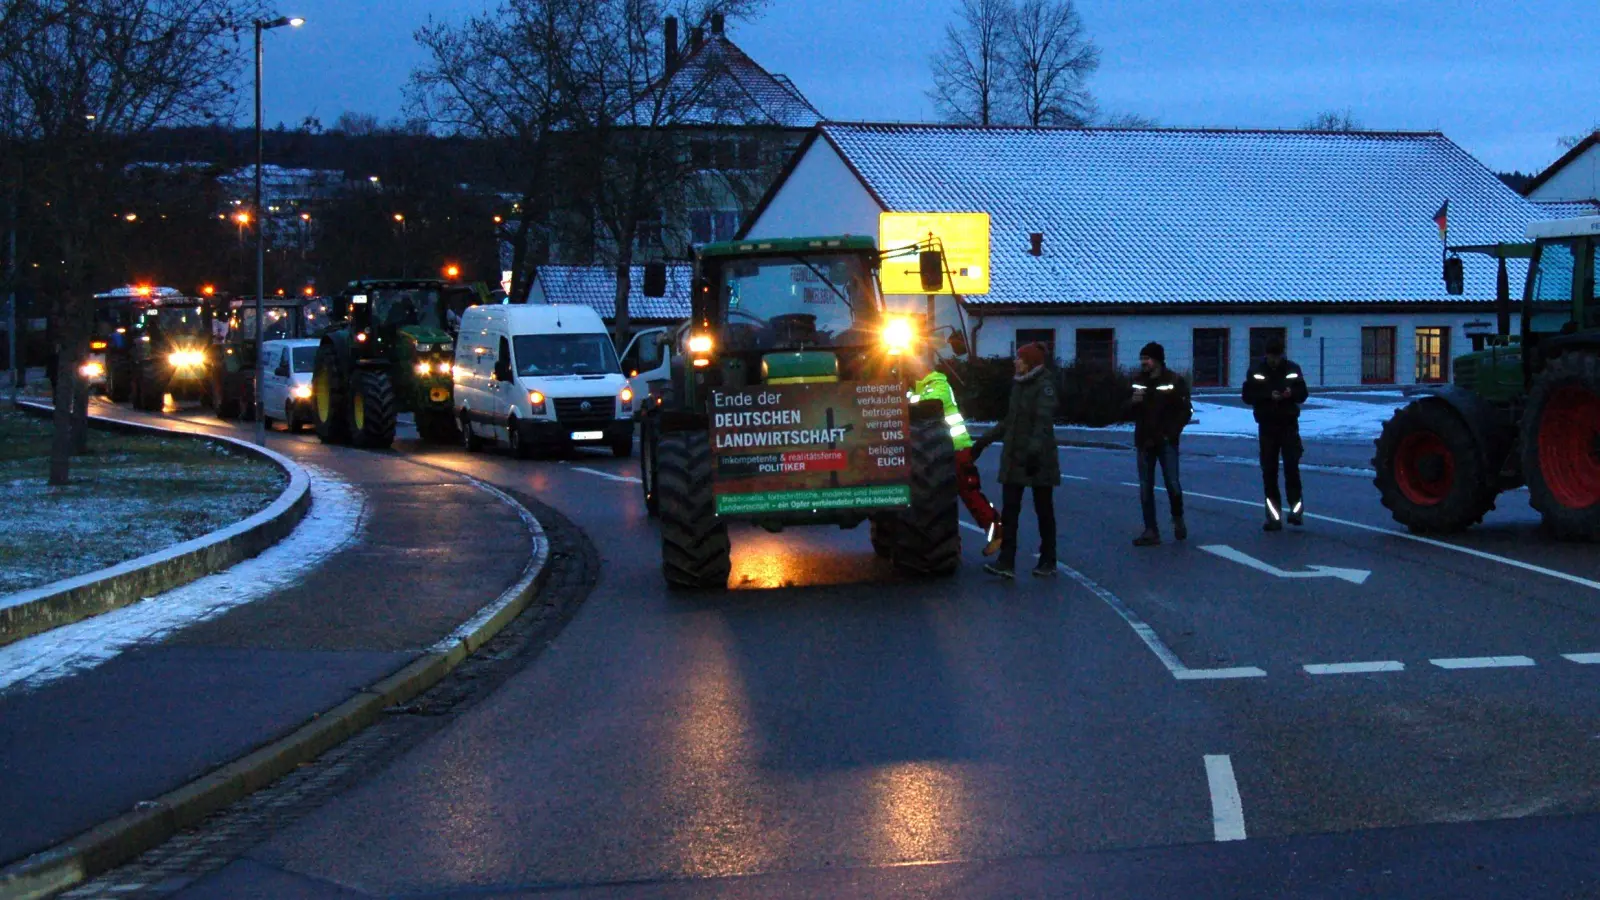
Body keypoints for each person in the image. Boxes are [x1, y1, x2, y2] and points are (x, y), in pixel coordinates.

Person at [972, 342, 1059, 578]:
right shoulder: (1019, 386)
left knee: (1043, 510)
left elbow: (1042, 423)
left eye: (1019, 358)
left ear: (1029, 362)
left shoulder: (1043, 387)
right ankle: (1006, 560)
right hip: (1015, 458)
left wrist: (1033, 453)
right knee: (1010, 511)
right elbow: (1009, 421)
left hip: (1039, 460)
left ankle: (1048, 559)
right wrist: (982, 442)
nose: (1015, 361)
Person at [907, 355, 1002, 555]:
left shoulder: (938, 384)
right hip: (945, 448)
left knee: (968, 491)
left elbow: (929, 402)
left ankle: (998, 531)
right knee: (954, 493)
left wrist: (903, 398)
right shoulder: (921, 388)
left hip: (956, 447)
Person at [1243, 335, 1308, 530]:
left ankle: (1296, 512)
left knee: (1291, 468)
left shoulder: (1292, 369)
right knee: (1269, 471)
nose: (1274, 360)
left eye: (1277, 356)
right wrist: (1267, 396)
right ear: (1266, 355)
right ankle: (1273, 517)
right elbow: (1247, 396)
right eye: (1271, 356)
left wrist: (1291, 394)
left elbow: (1303, 394)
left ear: (1282, 355)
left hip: (1289, 424)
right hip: (1267, 425)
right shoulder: (1256, 371)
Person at [1129, 342, 1190, 546]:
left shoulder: (1173, 381)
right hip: (1144, 440)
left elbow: (1185, 410)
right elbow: (1125, 409)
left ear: (1157, 360)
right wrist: (1132, 402)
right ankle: (1150, 530)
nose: (1144, 362)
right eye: (1142, 359)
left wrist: (1171, 433)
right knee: (1145, 487)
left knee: (1172, 483)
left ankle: (1178, 517)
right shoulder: (1138, 381)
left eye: (1147, 359)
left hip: (1166, 441)